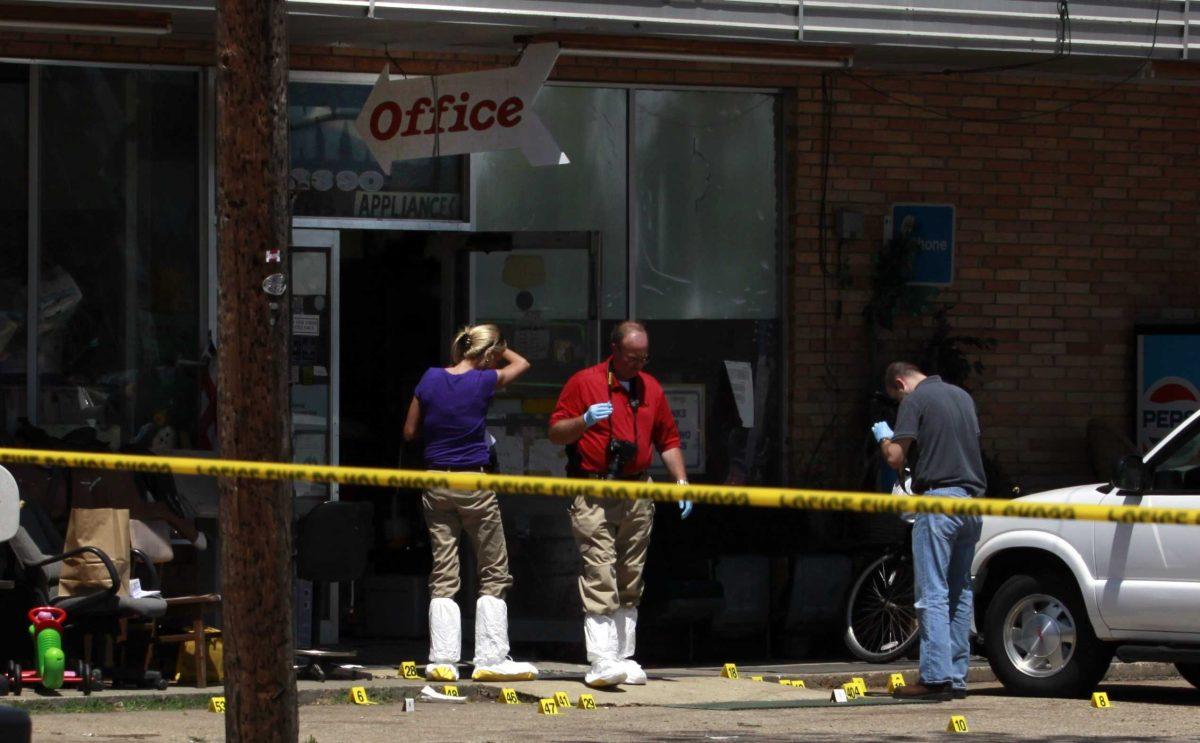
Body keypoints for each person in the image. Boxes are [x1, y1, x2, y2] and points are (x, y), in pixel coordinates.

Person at [548, 321, 692, 688]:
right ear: (614, 350)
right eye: (631, 357)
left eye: (644, 357)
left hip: (636, 491)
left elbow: (669, 439)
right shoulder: (584, 382)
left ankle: (624, 657)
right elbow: (555, 431)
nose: (638, 364)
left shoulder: (651, 388)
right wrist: (584, 420)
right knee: (600, 570)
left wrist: (681, 482)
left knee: (631, 574)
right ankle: (601, 658)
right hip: (594, 490)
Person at [403, 324, 538, 682]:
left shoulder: (430, 378)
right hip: (474, 480)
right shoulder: (483, 381)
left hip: (436, 481)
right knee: (493, 569)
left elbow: (409, 432)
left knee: (443, 570)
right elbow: (522, 363)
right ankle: (491, 658)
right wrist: (498, 348)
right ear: (488, 354)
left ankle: (442, 660)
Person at [872, 361, 986, 701]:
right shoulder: (962, 397)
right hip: (973, 502)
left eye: (895, 395)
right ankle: (956, 677)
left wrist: (883, 436)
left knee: (932, 591)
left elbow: (895, 458)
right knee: (959, 590)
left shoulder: (914, 400)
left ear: (899, 383)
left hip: (937, 502)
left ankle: (935, 679)